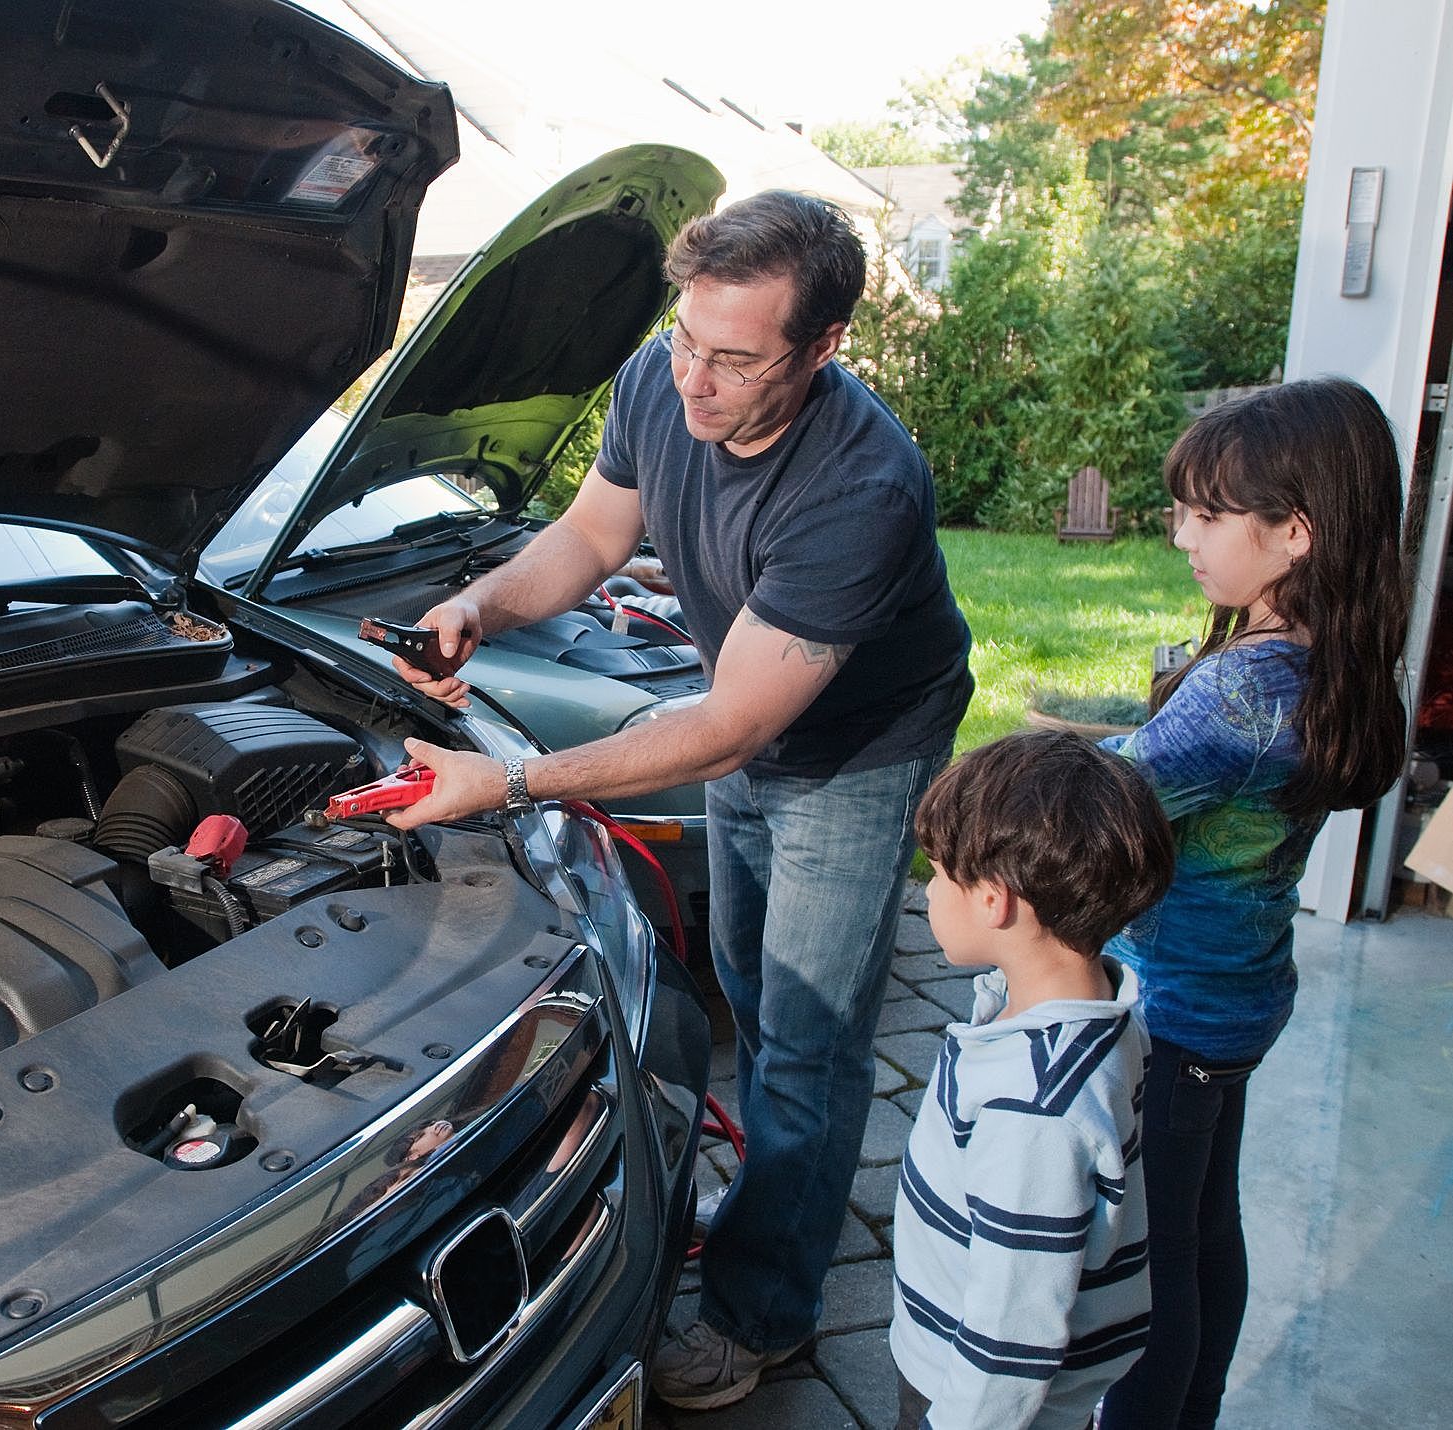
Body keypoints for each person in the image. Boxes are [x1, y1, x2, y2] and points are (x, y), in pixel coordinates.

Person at [385, 190, 974, 1408]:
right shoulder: (668, 375)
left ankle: (766, 1310)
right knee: (749, 988)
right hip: (750, 716)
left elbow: (723, 731)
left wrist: (511, 780)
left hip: (854, 753)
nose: (695, 383)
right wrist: (480, 608)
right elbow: (593, 539)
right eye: (687, 341)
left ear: (822, 349)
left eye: (736, 358)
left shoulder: (862, 486)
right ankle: (769, 1201)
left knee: (809, 1039)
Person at [1096, 379, 1409, 1430]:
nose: (1183, 530)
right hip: (1243, 994)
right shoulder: (1331, 663)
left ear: (1295, 533)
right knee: (1202, 1223)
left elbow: (1110, 799)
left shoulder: (1240, 693)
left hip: (1178, 1006)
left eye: (1209, 511)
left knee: (1151, 1263)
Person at [890, 729, 1175, 1430]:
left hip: (966, 1395)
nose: (928, 893)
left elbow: (1011, 1333)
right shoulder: (1094, 1011)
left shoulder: (1033, 1109)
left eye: (938, 875)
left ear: (994, 900)